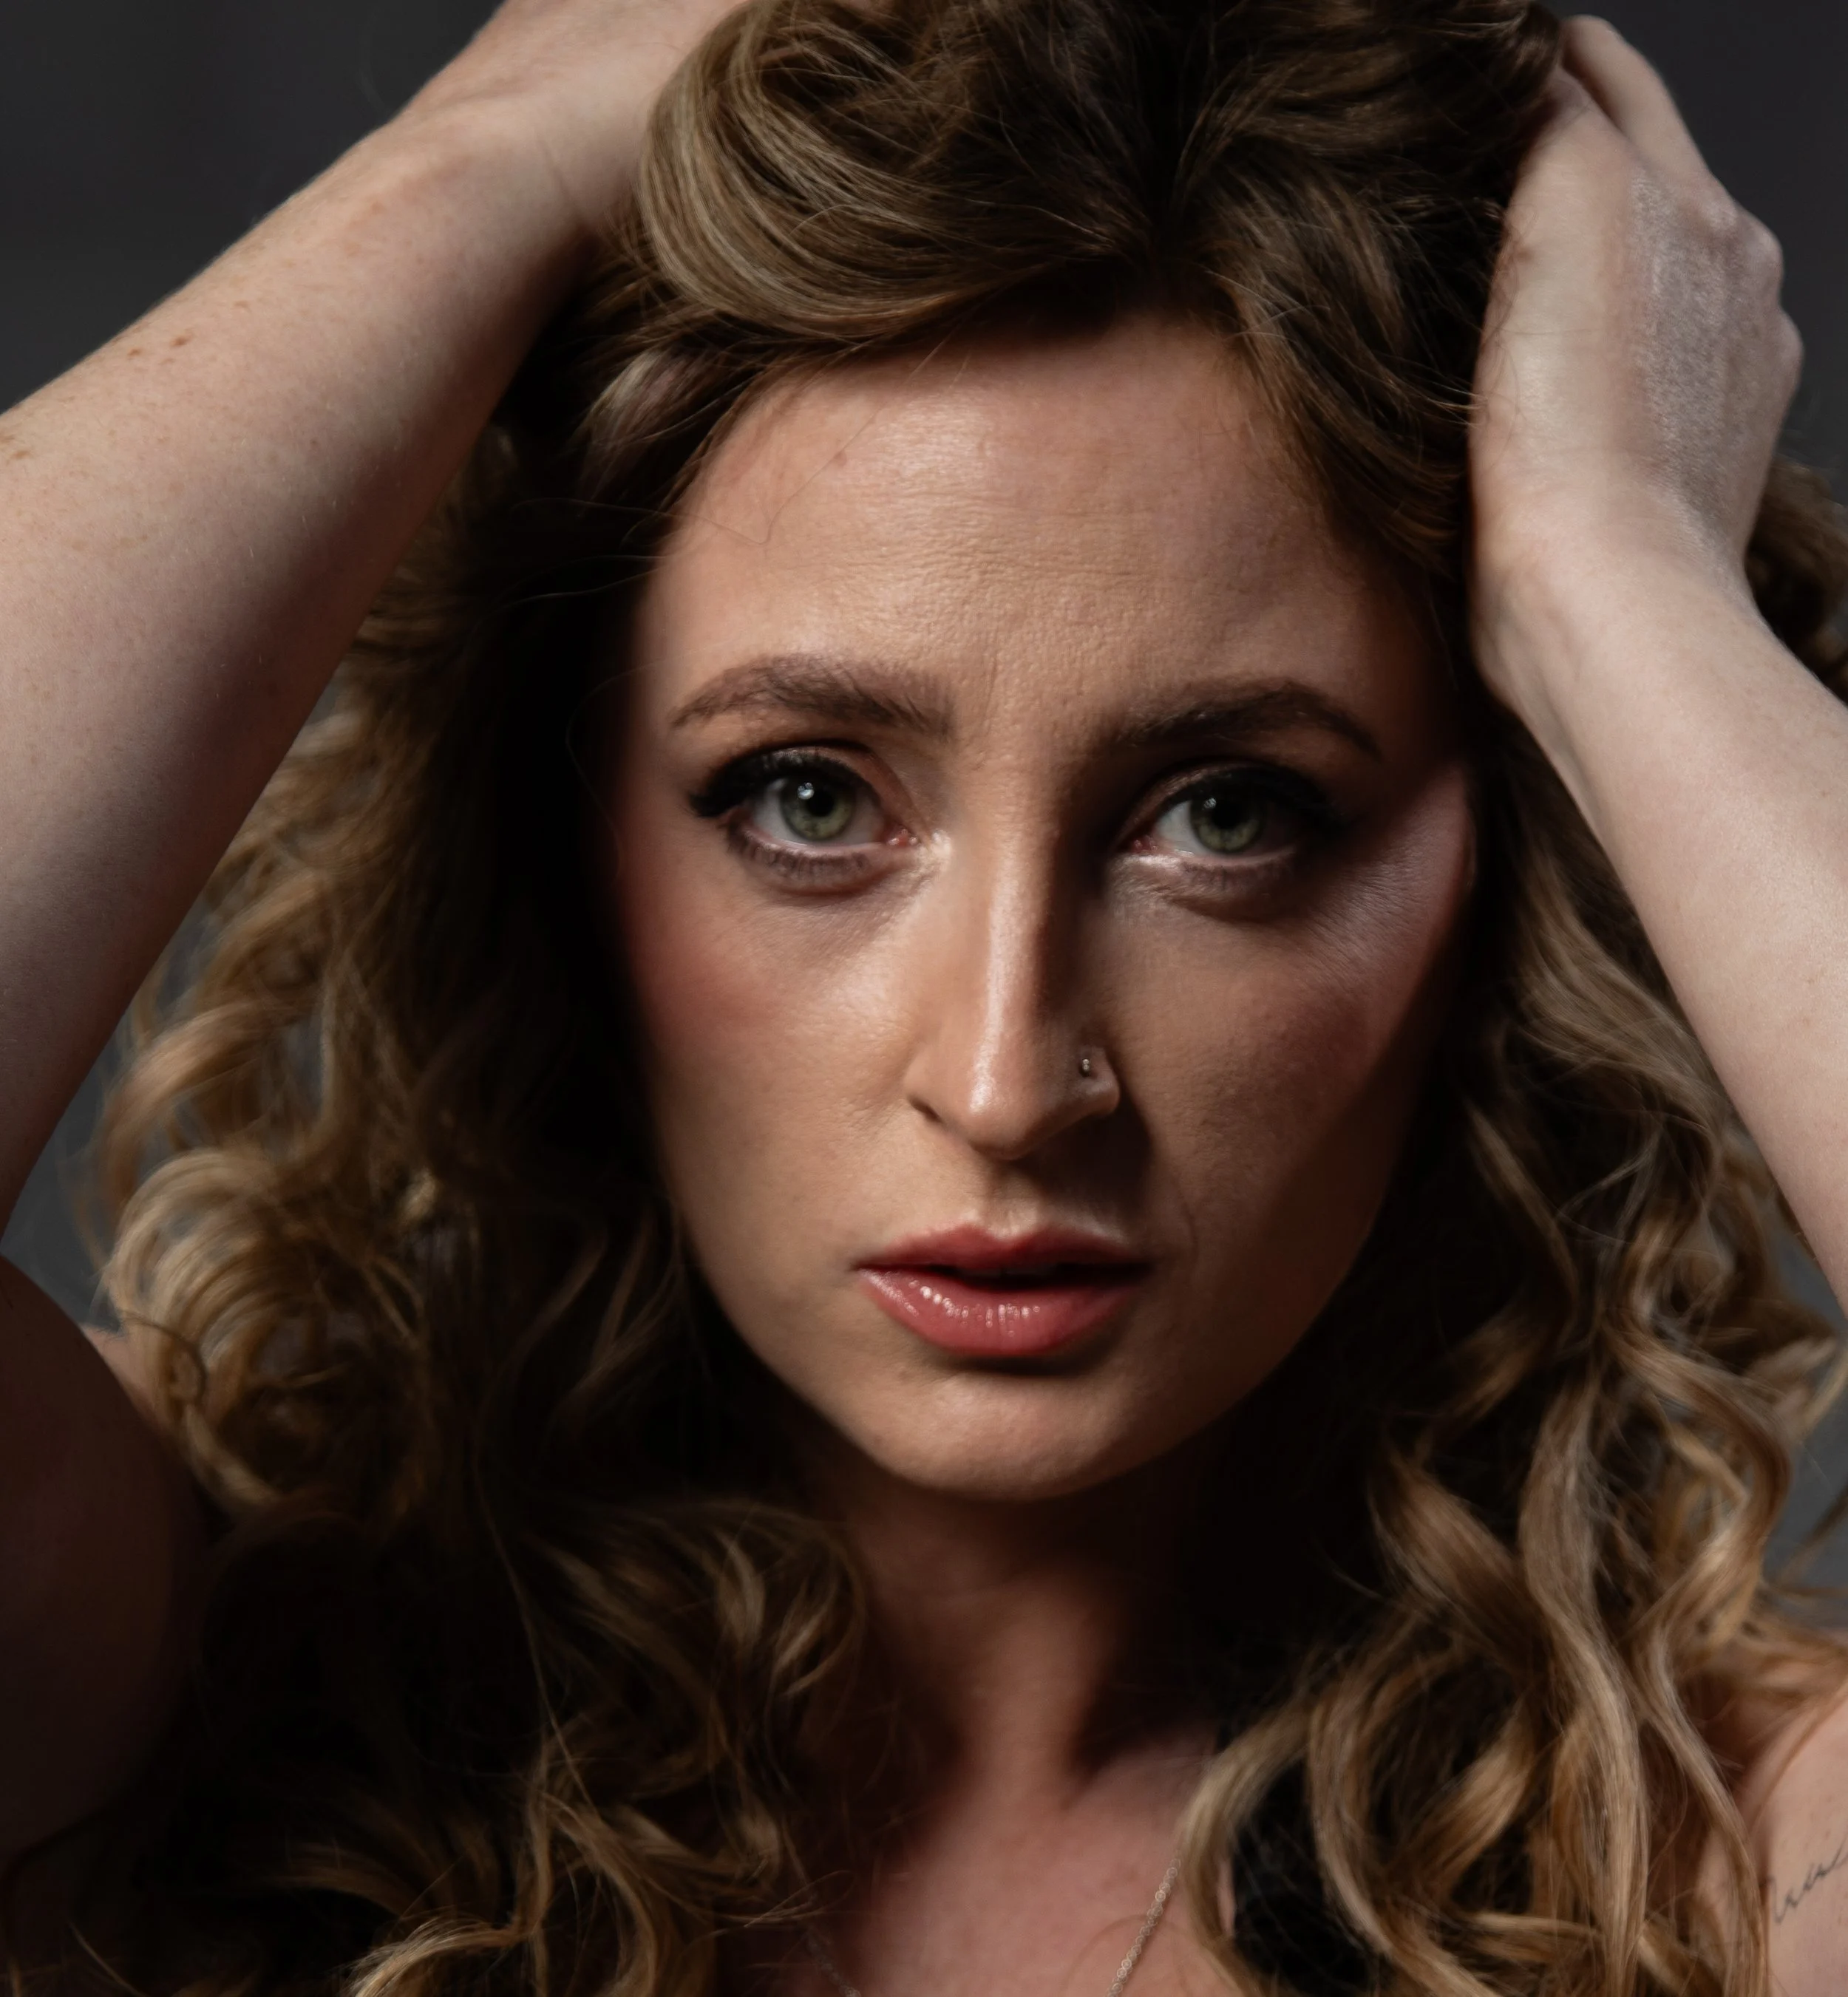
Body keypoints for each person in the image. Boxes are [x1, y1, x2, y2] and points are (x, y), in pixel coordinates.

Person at [5, 0, 1848, 1990]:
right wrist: (488, 164)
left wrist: (1616, 575)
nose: (1004, 1080)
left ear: (1504, 869)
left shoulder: (1726, 1859)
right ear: (562, 844)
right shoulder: (187, 1677)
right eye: (809, 799)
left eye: (1227, 812)